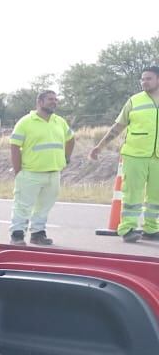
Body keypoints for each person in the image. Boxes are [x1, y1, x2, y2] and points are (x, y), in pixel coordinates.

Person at [89, 66, 159, 242]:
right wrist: (100, 146)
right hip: (135, 155)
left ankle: (151, 229)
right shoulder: (134, 101)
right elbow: (118, 126)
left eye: (148, 78)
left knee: (156, 196)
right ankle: (127, 229)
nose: (144, 82)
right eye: (142, 79)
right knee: (132, 193)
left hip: (157, 157)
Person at [9, 90, 74, 245]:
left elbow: (71, 139)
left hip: (53, 173)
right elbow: (14, 146)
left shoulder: (59, 121)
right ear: (39, 102)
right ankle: (17, 235)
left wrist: (66, 158)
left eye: (56, 99)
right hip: (30, 173)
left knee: (44, 207)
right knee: (22, 206)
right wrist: (18, 171)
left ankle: (38, 234)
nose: (54, 102)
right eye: (50, 99)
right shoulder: (25, 122)